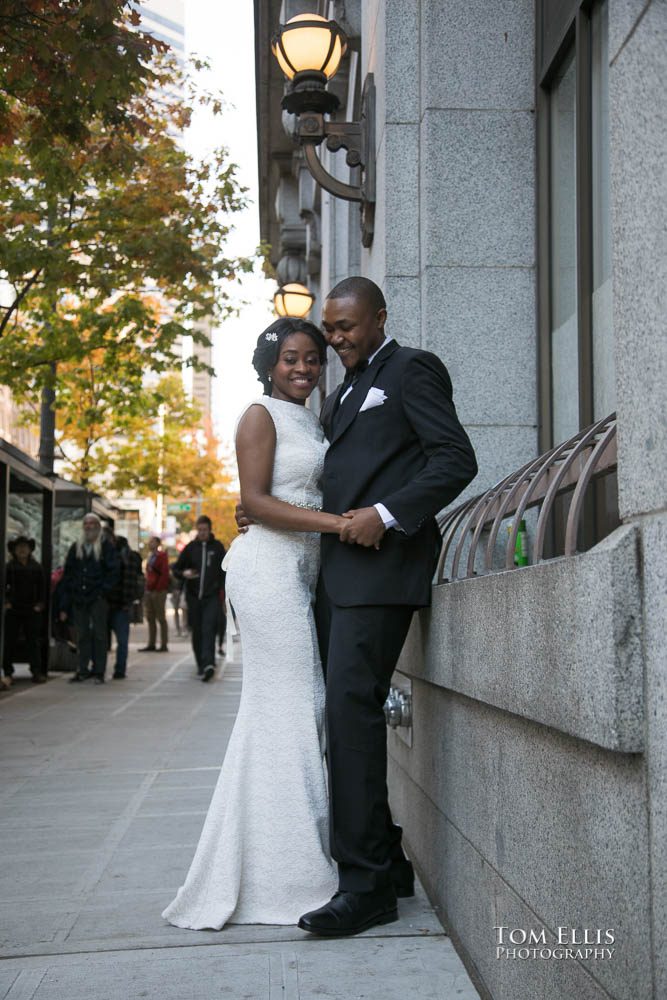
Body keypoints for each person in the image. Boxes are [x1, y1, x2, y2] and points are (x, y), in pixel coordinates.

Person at [236, 278, 478, 937]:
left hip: (382, 572)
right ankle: (388, 862)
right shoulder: (340, 394)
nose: (334, 338)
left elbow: (455, 459)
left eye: (345, 327)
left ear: (378, 318)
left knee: (349, 715)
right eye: (329, 328)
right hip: (334, 578)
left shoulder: (411, 369)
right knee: (342, 717)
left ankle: (365, 885)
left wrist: (387, 514)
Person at [162, 317, 349, 930]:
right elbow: (259, 502)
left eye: (314, 359)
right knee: (298, 706)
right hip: (267, 573)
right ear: (270, 363)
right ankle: (296, 878)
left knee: (284, 713)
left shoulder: (311, 420)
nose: (304, 368)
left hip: (301, 573)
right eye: (292, 358)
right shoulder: (257, 415)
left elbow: (278, 499)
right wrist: (343, 523)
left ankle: (273, 862)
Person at [59, 513, 119, 684]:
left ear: (98, 526)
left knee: (100, 634)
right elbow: (68, 573)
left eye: (92, 523)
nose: (89, 526)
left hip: (97, 597)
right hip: (80, 597)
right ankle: (82, 669)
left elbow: (114, 571)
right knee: (82, 634)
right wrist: (69, 595)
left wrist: (103, 591)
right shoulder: (76, 548)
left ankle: (99, 670)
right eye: (86, 523)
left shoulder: (106, 547)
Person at [172, 516, 226, 682]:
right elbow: (176, 568)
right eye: (200, 530)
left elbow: (224, 571)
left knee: (208, 628)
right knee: (197, 631)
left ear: (210, 530)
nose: (202, 533)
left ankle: (209, 664)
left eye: (205, 530)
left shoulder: (217, 548)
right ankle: (201, 664)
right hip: (193, 597)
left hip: (211, 597)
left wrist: (223, 593)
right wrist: (184, 574)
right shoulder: (190, 548)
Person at [3, 536, 47, 685]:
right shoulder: (9, 567)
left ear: (30, 550)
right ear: (14, 551)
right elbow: (3, 588)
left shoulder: (36, 567)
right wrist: (6, 602)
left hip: (32, 609)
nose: (22, 550)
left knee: (33, 641)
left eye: (25, 547)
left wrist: (40, 604)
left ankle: (36, 671)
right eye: (19, 547)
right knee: (9, 640)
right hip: (14, 609)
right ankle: (8, 672)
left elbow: (42, 588)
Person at [107, 535, 139, 680]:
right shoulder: (132, 558)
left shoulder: (113, 557)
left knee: (106, 639)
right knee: (122, 640)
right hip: (122, 604)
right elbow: (136, 582)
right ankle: (119, 669)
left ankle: (101, 669)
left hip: (113, 603)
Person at [140, 536, 169, 652]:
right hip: (149, 590)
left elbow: (164, 574)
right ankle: (151, 643)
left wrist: (158, 589)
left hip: (159, 591)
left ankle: (163, 644)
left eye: (152, 541)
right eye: (149, 541)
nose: (150, 543)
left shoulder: (162, 556)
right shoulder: (150, 556)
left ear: (158, 543)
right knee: (150, 617)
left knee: (161, 618)